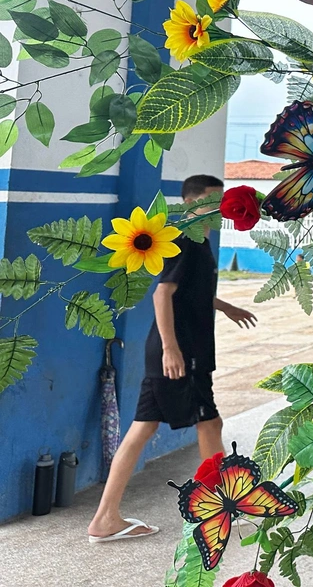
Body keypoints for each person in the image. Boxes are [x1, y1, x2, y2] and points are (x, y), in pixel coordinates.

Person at [87, 174, 258, 543]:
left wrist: (225, 306)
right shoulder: (188, 241)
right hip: (181, 355)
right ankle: (222, 507)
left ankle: (105, 518)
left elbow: (190, 294)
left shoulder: (201, 243)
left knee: (143, 430)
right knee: (209, 424)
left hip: (177, 353)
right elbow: (162, 295)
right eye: (215, 200)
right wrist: (171, 348)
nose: (222, 207)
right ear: (193, 204)